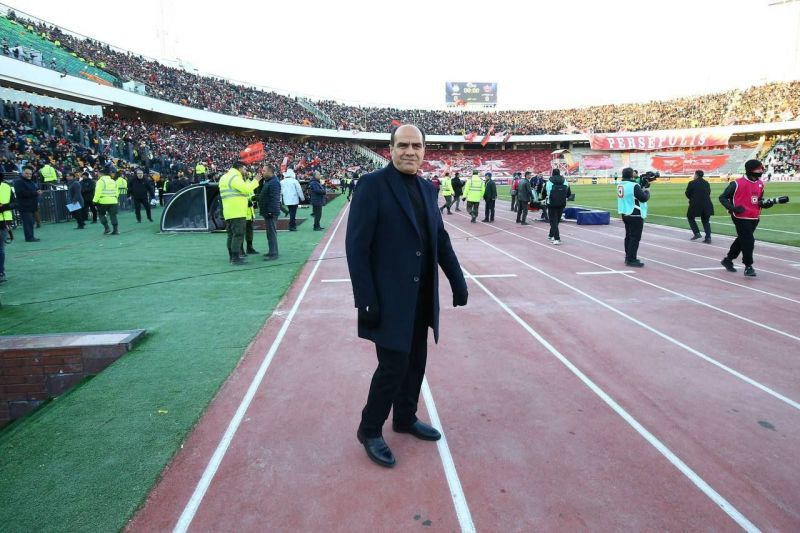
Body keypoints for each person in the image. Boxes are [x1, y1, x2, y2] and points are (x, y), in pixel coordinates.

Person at [346, 124, 468, 468]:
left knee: (416, 361)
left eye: (416, 146)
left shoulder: (428, 189)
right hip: (388, 300)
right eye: (403, 145)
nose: (410, 151)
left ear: (425, 151)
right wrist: (365, 298)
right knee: (393, 366)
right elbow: (356, 247)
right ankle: (370, 429)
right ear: (391, 149)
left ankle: (404, 417)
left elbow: (440, 239)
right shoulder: (372, 185)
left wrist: (457, 281)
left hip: (422, 295)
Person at [718, 159, 774, 277]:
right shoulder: (736, 184)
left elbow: (758, 200)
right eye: (758, 169)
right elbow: (722, 197)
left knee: (742, 239)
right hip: (740, 216)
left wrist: (766, 204)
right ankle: (748, 266)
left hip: (754, 217)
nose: (761, 171)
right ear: (750, 170)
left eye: (761, 169)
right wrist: (732, 208)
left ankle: (728, 260)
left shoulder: (761, 184)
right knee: (749, 240)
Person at [616, 167, 650, 267]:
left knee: (628, 236)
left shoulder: (620, 184)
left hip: (625, 212)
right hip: (634, 213)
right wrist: (647, 191)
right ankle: (631, 259)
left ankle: (628, 256)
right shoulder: (633, 185)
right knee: (635, 237)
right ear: (632, 175)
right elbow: (643, 198)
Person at [218, 161, 250, 265]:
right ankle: (235, 258)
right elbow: (246, 190)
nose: (245, 171)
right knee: (238, 234)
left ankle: (232, 257)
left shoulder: (224, 177)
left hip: (228, 211)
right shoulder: (235, 177)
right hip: (237, 211)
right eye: (244, 169)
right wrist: (256, 181)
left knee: (231, 235)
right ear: (239, 168)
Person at [258, 163, 281, 260]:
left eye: (264, 171)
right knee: (270, 233)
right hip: (267, 211)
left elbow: (274, 198)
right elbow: (261, 195)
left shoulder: (274, 182)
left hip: (270, 211)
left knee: (271, 233)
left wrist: (271, 211)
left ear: (270, 172)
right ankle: (272, 251)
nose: (262, 172)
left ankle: (273, 253)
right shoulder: (268, 181)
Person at [13, 166, 41, 242]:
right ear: (22, 173)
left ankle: (30, 236)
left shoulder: (30, 182)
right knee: (28, 223)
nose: (29, 175)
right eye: (27, 173)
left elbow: (35, 189)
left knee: (30, 222)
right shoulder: (18, 182)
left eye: (30, 174)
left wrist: (38, 191)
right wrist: (36, 193)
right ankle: (29, 237)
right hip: (25, 206)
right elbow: (21, 193)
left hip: (31, 206)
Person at [685, 169, 713, 243]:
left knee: (690, 217)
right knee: (706, 221)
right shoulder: (706, 183)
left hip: (695, 204)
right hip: (707, 204)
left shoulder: (691, 183)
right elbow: (708, 192)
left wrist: (692, 198)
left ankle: (697, 233)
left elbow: (687, 193)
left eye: (694, 174)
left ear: (696, 175)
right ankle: (708, 237)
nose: (694, 176)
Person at [545, 169, 570, 245]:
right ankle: (551, 235)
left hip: (551, 203)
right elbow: (569, 193)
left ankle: (557, 238)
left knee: (553, 221)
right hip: (562, 203)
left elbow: (544, 193)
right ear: (559, 173)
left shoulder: (549, 181)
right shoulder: (565, 181)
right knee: (557, 220)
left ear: (552, 173)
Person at [94, 164, 120, 235]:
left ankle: (107, 228)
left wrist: (95, 201)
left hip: (103, 202)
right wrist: (115, 198)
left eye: (99, 173)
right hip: (113, 201)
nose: (98, 175)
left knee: (101, 214)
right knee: (113, 215)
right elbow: (117, 192)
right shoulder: (113, 181)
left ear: (102, 174)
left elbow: (98, 192)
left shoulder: (100, 181)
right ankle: (115, 230)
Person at [0, 173, 16, 282]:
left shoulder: (6, 187)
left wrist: (4, 206)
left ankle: (1, 272)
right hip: (5, 221)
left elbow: (15, 203)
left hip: (4, 222)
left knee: (0, 249)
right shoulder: (6, 186)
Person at [280, 165, 304, 231]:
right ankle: (292, 225)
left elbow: (280, 192)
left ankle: (292, 224)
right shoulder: (294, 181)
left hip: (286, 200)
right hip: (294, 199)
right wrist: (302, 198)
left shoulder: (282, 182)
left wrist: (280, 200)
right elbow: (299, 190)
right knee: (293, 213)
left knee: (291, 212)